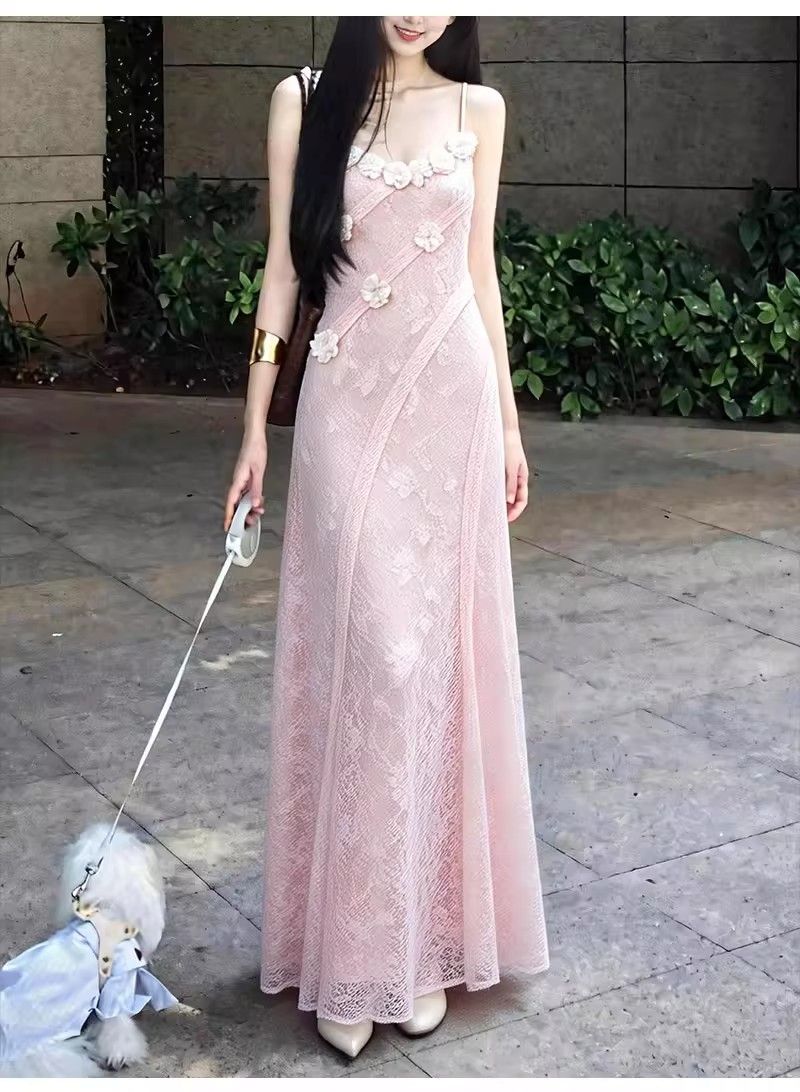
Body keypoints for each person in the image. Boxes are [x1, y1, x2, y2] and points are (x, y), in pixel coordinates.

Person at [224, 15, 549, 1060]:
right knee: (377, 661)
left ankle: (415, 951)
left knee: (428, 674)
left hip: (451, 404)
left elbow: (479, 272)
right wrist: (252, 431)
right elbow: (283, 273)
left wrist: (508, 425)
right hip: (344, 410)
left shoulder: (479, 109)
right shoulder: (303, 98)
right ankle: (355, 956)